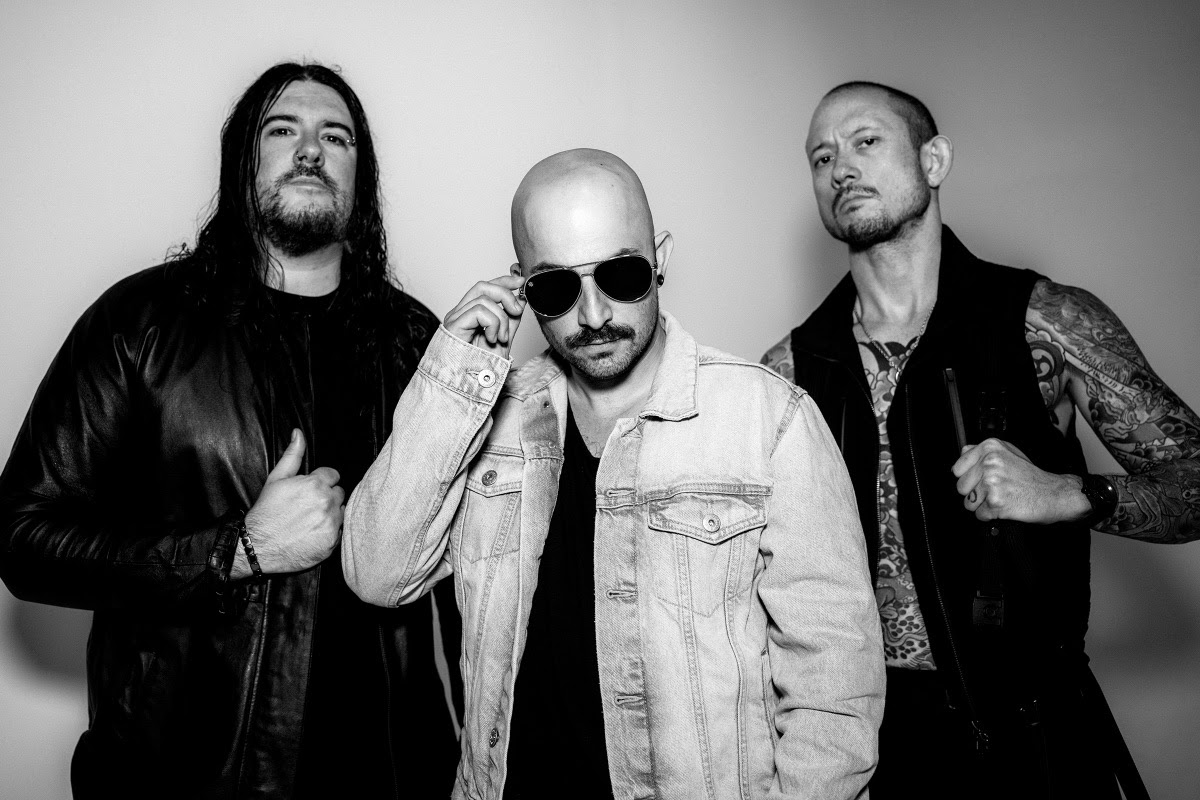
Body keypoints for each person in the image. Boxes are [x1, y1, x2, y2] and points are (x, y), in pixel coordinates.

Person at [342, 148, 885, 799]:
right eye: (556, 288)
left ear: (661, 259)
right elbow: (378, 573)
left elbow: (835, 695)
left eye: (621, 275)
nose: (594, 315)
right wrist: (454, 377)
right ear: (521, 287)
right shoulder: (488, 424)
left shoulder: (770, 421)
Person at [0, 62, 461, 799]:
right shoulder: (140, 323)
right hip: (179, 776)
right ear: (241, 159)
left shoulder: (417, 344)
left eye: (335, 137)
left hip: (389, 774)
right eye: (283, 130)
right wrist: (237, 550)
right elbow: (22, 540)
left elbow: (469, 581)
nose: (309, 150)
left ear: (362, 175)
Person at [762, 80, 1200, 799]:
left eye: (866, 141)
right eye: (822, 157)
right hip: (869, 755)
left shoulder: (1045, 323)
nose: (841, 168)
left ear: (933, 160)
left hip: (1036, 742)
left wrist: (1067, 494)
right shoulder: (790, 371)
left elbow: (1196, 480)